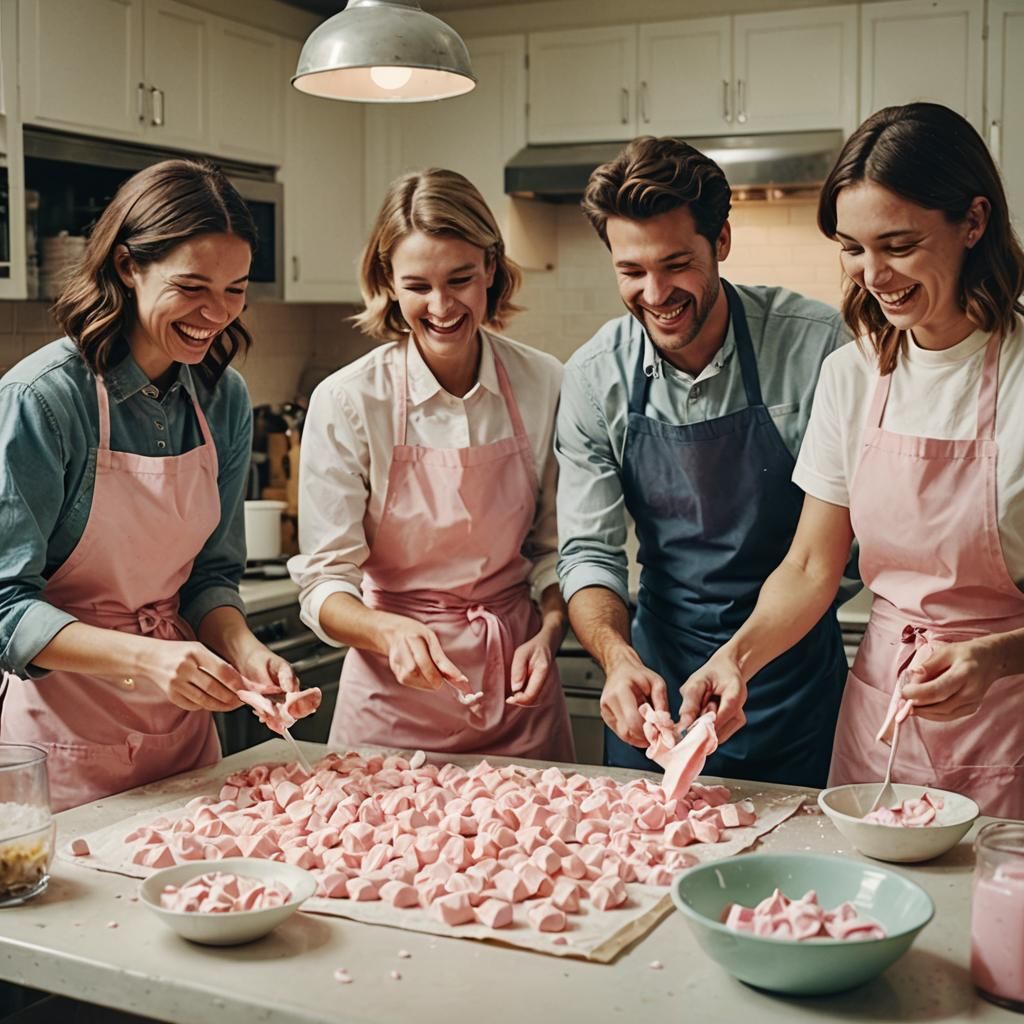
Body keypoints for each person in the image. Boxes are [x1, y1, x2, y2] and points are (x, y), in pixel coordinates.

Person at [678, 103, 1024, 817]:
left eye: (898, 244)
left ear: (973, 221)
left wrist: (993, 657)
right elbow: (811, 565)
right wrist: (735, 660)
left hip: (1008, 718)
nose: (874, 274)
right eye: (853, 248)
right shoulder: (852, 374)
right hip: (879, 717)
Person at [0, 159, 302, 812]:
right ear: (127, 266)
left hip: (183, 738)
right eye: (191, 286)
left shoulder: (223, 398)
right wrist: (148, 659)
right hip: (61, 744)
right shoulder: (43, 400)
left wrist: (245, 650)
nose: (216, 313)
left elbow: (209, 577)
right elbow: (5, 608)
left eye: (235, 289)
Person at [556, 136, 851, 786]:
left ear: (721, 240)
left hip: (795, 694)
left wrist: (744, 657)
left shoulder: (817, 347)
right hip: (657, 698)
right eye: (631, 271)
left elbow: (831, 549)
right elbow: (589, 552)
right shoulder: (594, 376)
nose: (655, 292)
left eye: (676, 264)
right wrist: (617, 658)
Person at [288, 168, 575, 760]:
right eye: (417, 285)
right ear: (388, 283)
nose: (441, 306)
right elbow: (324, 582)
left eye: (460, 279)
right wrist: (386, 629)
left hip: (519, 696)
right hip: (391, 708)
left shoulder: (545, 382)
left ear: (491, 268)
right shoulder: (348, 401)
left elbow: (556, 553)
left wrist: (549, 633)